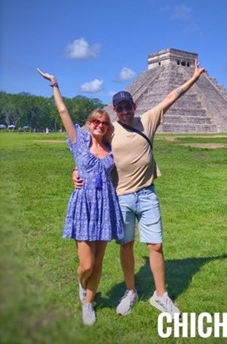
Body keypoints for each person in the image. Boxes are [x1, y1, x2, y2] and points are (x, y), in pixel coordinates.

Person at [73, 60, 205, 317]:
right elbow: (89, 152)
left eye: (127, 106)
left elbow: (170, 97)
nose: (124, 111)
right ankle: (130, 291)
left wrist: (193, 79)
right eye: (120, 108)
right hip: (121, 196)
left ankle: (160, 295)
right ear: (115, 110)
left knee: (155, 245)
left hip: (147, 193)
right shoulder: (109, 130)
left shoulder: (148, 119)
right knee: (126, 246)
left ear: (135, 106)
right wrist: (76, 172)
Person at [37, 68, 124, 326]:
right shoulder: (78, 143)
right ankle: (81, 283)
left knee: (99, 262)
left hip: (106, 205)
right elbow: (63, 112)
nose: (99, 125)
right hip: (84, 205)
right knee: (86, 264)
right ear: (88, 124)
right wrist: (55, 85)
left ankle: (88, 303)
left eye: (104, 123)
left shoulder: (110, 147)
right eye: (95, 121)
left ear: (107, 127)